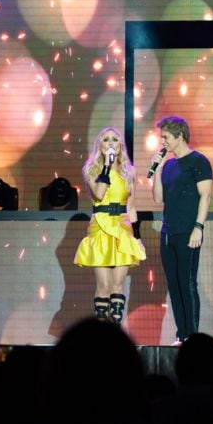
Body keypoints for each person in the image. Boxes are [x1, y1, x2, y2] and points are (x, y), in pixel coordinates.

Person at [73, 126, 146, 325]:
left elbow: (131, 208)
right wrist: (106, 165)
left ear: (120, 145)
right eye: (106, 139)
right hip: (100, 227)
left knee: (118, 283)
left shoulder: (129, 172)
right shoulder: (92, 169)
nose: (111, 143)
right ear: (100, 145)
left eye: (115, 139)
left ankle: (115, 328)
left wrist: (137, 238)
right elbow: (98, 193)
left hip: (122, 228)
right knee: (104, 284)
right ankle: (101, 330)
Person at [150, 115, 212, 345]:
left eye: (165, 137)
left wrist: (198, 227)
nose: (162, 141)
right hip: (168, 233)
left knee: (187, 284)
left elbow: (206, 195)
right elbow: (158, 199)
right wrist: (156, 170)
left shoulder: (199, 161)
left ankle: (193, 338)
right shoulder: (168, 165)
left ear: (179, 136)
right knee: (174, 285)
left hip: (188, 231)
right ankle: (181, 334)